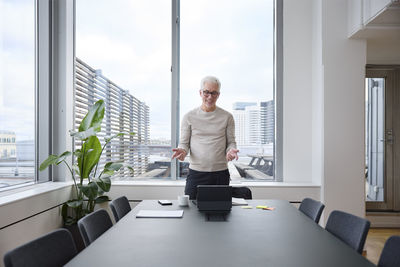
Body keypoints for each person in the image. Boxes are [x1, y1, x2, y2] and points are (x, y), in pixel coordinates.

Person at [172, 76, 239, 199]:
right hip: (196, 174)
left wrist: (231, 150)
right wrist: (182, 150)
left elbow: (231, 142)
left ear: (218, 94)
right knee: (191, 213)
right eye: (206, 92)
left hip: (220, 174)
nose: (210, 97)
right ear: (200, 92)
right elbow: (184, 143)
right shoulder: (189, 116)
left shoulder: (227, 117)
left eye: (214, 93)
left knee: (220, 212)